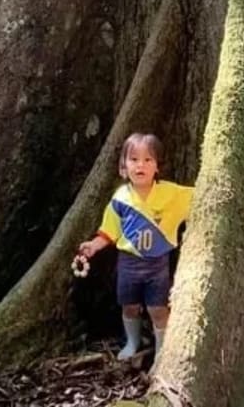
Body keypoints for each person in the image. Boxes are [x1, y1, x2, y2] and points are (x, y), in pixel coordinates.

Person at [78, 132, 193, 360]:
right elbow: (109, 231)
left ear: (157, 166)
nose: (140, 165)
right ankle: (132, 342)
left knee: (157, 309)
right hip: (128, 264)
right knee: (129, 306)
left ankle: (162, 351)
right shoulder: (120, 199)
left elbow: (202, 195)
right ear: (124, 166)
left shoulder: (172, 194)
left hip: (157, 266)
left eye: (148, 160)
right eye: (134, 159)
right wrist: (93, 246)